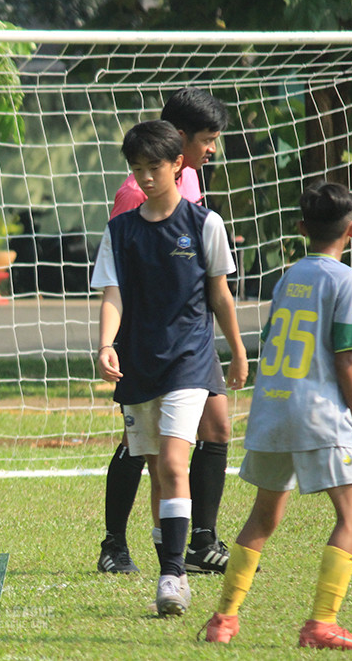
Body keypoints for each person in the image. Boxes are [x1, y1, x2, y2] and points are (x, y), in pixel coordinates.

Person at [203, 183, 352, 650]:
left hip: (272, 407)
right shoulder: (347, 280)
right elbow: (346, 360)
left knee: (264, 515)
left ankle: (223, 619)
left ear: (302, 228)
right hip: (317, 412)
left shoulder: (288, 278)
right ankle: (322, 623)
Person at [92, 120, 247, 616]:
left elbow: (220, 295)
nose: (145, 177)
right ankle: (169, 563)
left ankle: (173, 575)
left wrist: (237, 349)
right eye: (136, 168)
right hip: (139, 362)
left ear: (178, 164)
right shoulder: (120, 231)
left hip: (189, 360)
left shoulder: (205, 224)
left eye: (154, 167)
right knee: (158, 471)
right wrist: (106, 344)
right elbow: (112, 294)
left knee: (176, 464)